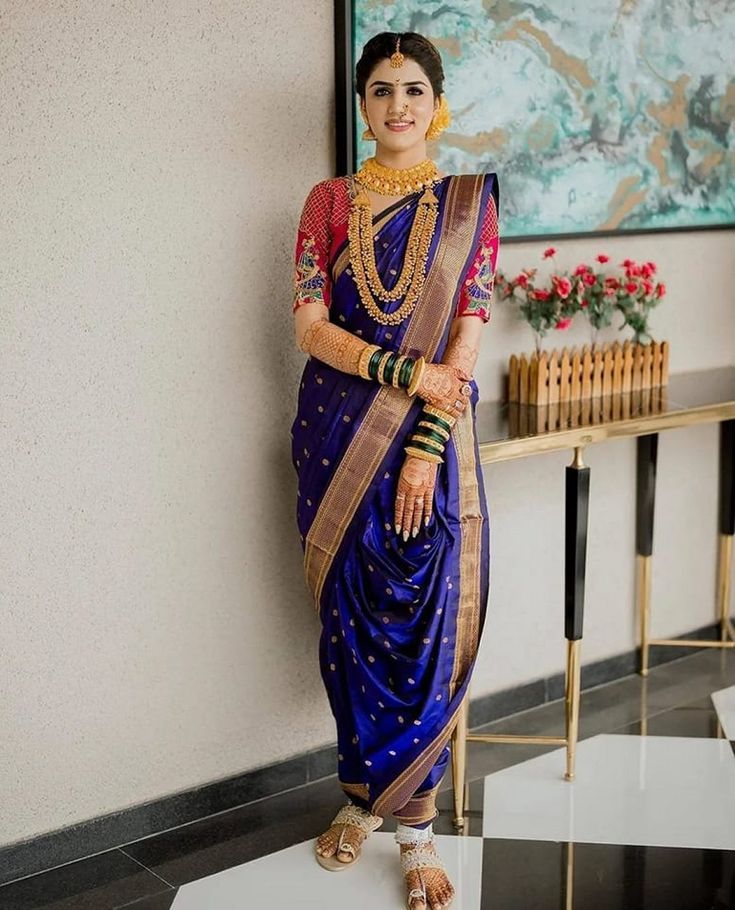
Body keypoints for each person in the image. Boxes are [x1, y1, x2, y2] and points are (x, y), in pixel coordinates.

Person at [290, 30, 499, 910]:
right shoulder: (328, 201)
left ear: (436, 100)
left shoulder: (469, 202)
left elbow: (467, 331)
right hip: (336, 434)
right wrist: (399, 373)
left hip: (429, 442)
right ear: (361, 103)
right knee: (351, 622)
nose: (398, 105)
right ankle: (359, 800)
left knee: (420, 621)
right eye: (381, 90)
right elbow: (307, 323)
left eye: (413, 89)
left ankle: (416, 831)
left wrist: (422, 443)